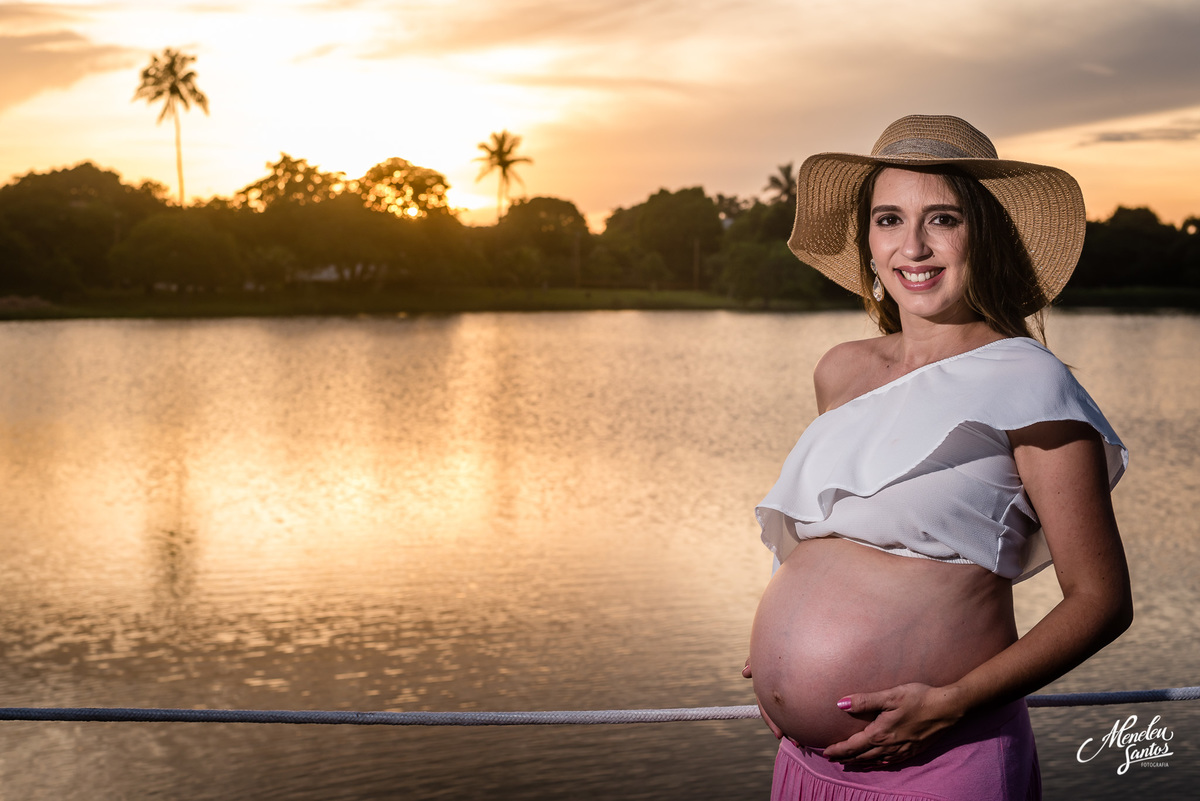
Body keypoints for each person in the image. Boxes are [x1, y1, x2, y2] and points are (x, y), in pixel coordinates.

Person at [741, 115, 1133, 800]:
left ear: (983, 234)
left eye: (942, 218)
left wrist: (953, 699)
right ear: (867, 240)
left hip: (943, 764)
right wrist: (785, 660)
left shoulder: (1031, 382)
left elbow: (1101, 600)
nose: (913, 246)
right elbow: (833, 531)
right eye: (889, 219)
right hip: (802, 766)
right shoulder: (840, 370)